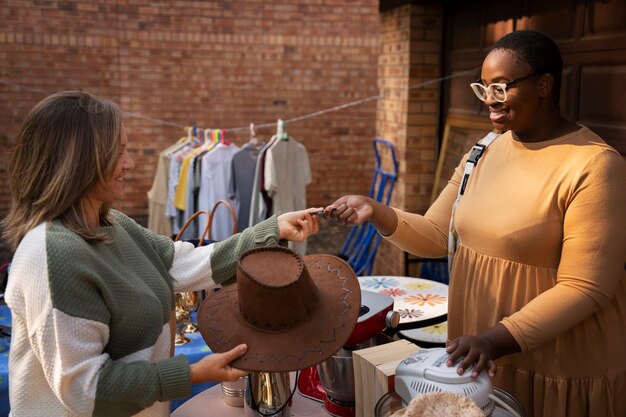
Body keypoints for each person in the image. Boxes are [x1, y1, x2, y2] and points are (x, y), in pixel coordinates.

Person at [324, 30, 626, 417]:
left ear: (544, 85)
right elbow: (437, 234)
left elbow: (586, 287)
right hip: (483, 360)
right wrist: (376, 210)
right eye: (483, 89)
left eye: (500, 89)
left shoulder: (595, 165)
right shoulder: (484, 150)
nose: (489, 102)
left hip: (554, 363)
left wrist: (495, 339)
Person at [1, 90, 322, 417]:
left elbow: (183, 263)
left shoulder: (113, 224)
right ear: (80, 159)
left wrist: (272, 230)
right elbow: (86, 390)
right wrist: (193, 373)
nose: (130, 163)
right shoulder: (50, 254)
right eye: (119, 152)